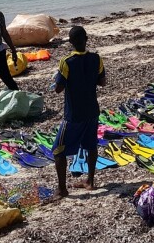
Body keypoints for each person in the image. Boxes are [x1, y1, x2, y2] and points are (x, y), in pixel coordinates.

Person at [52, 26, 106, 197]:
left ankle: (62, 189)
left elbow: (58, 89)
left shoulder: (67, 62)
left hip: (74, 114)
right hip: (92, 110)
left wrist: (56, 80)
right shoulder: (96, 58)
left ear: (70, 42)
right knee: (91, 145)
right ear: (86, 38)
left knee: (58, 149)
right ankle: (90, 180)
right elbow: (102, 82)